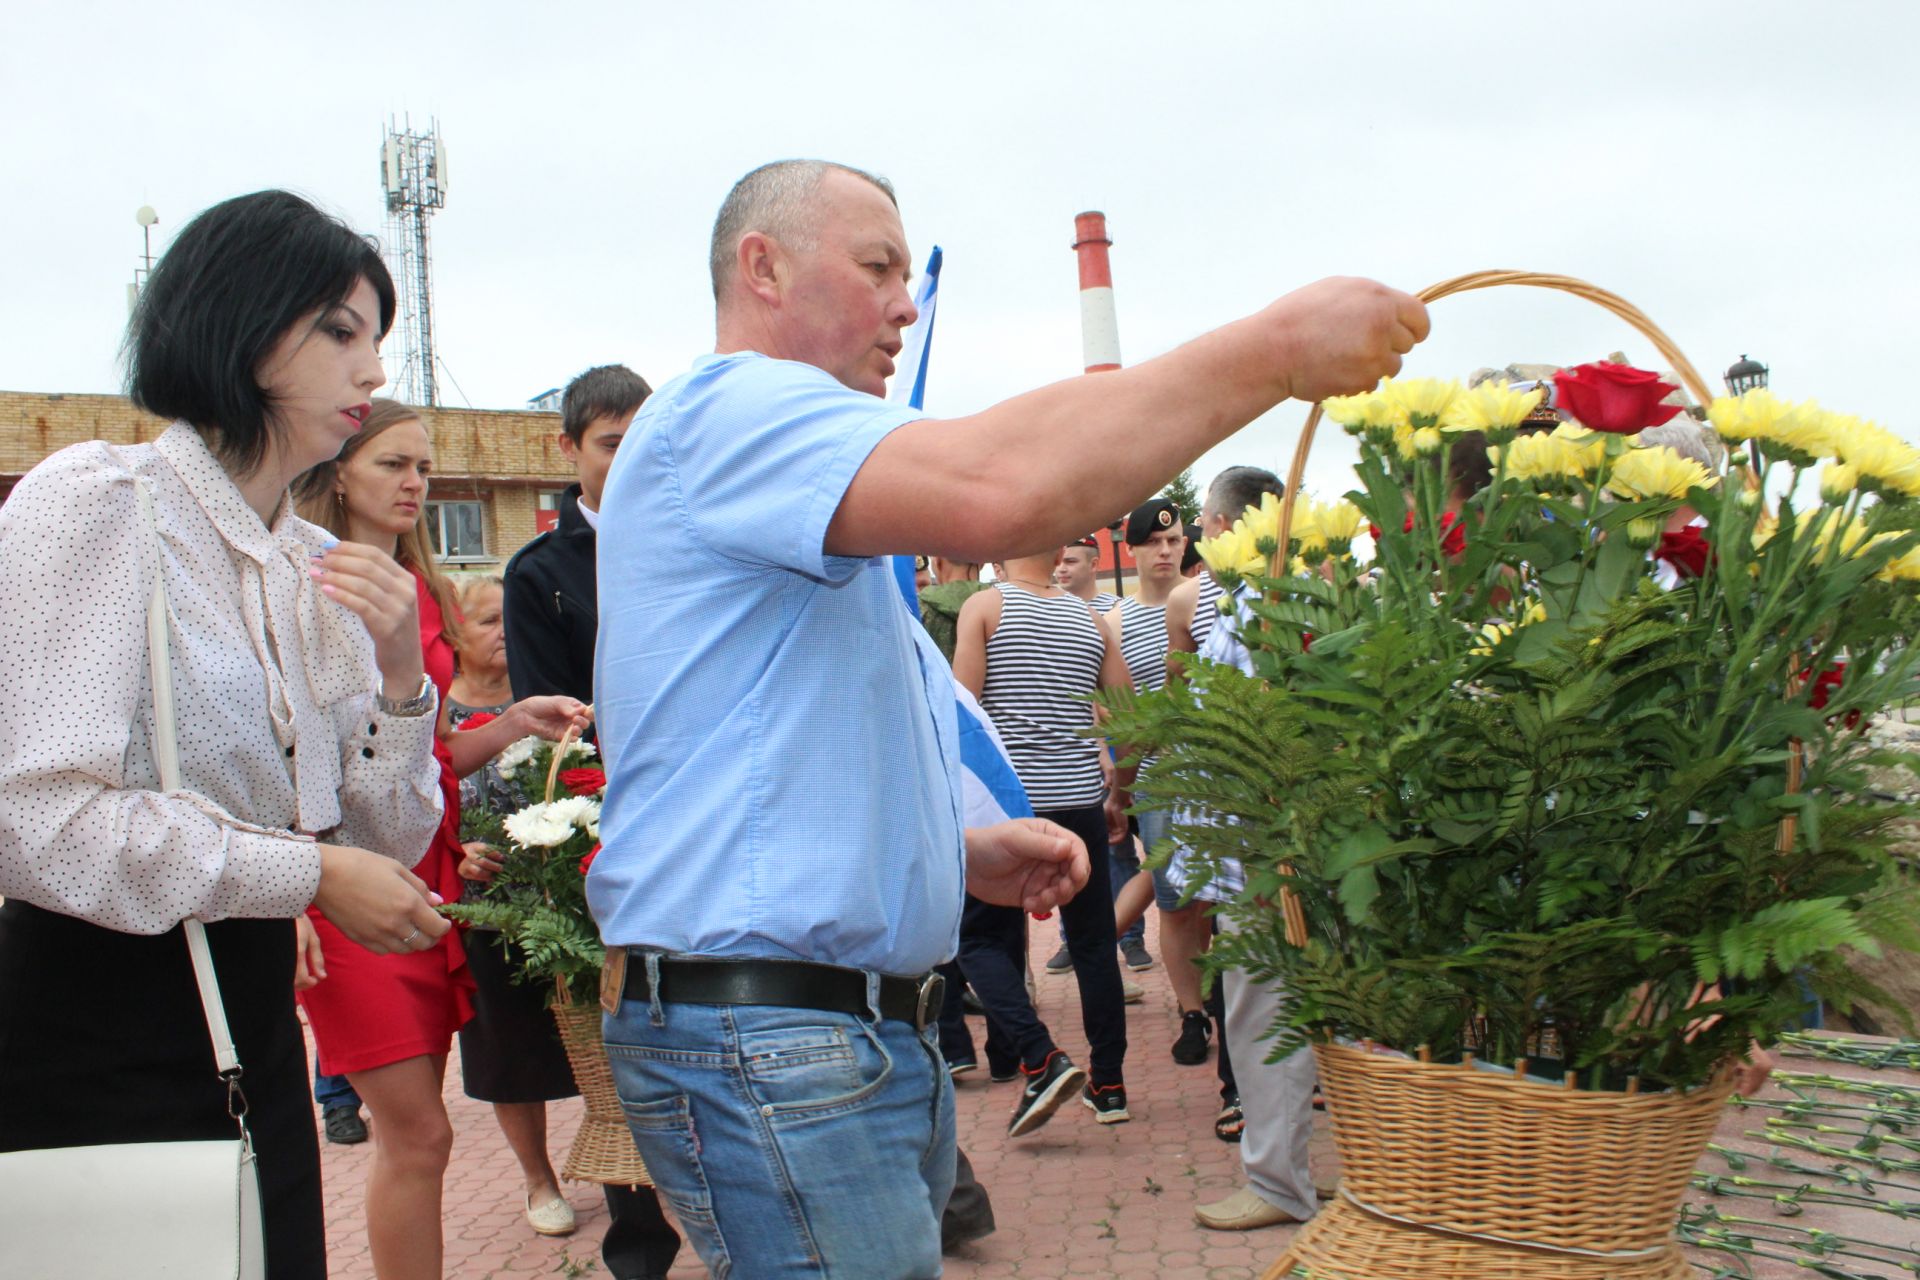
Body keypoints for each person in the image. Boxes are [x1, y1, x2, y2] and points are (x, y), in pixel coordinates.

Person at [591, 158, 1425, 1276]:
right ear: (764, 267)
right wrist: (1275, 349)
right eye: (879, 267)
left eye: (908, 276)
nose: (906, 304)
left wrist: (949, 850)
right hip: (777, 1032)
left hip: (818, 1028)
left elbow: (787, 741)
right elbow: (1008, 481)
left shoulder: (786, 474)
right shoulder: (731, 408)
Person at [0, 190, 452, 1278]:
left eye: (377, 339)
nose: (374, 372)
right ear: (245, 326)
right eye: (341, 331)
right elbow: (36, 822)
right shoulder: (100, 503)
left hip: (245, 1015)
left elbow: (378, 841)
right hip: (102, 1016)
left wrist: (400, 679)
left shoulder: (308, 565)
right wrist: (301, 869)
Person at [292, 401, 590, 1280]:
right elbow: (286, 753)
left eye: (422, 467)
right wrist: (291, 882)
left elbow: (424, 757)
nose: (415, 483)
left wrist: (509, 724)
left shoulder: (417, 587)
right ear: (339, 469)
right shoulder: (306, 580)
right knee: (418, 1133)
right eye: (392, 464)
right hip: (349, 882)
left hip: (427, 875)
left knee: (425, 1136)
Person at [501, 362, 684, 1280]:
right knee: (620, 1030)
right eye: (611, 442)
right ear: (568, 449)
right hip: (604, 823)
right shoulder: (541, 573)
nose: (629, 458)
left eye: (642, 438)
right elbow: (546, 722)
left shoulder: (695, 541)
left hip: (704, 810)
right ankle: (640, 1240)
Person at [953, 546, 1137, 1129]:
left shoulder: (983, 609)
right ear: (1061, 550)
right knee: (1093, 944)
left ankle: (1034, 1056)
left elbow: (962, 715)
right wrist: (1119, 794)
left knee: (983, 939)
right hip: (1080, 798)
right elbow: (1129, 720)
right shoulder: (1094, 619)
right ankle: (1109, 1084)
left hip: (1012, 807)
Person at [443, 574, 588, 1240]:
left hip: (567, 900)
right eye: (486, 622)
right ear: (452, 634)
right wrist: (455, 851)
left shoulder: (542, 703)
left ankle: (622, 1160)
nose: (505, 632)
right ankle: (538, 1179)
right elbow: (415, 811)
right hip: (486, 910)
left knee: (595, 1041)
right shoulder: (431, 715)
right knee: (509, 1052)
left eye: (509, 619)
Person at [1162, 466, 1285, 1072]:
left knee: (1248, 973)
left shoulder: (1207, 601)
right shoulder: (1302, 589)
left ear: (1217, 525)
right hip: (1274, 813)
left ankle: (1242, 1093)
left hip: (1236, 812)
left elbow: (1181, 702)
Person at [1055, 535, 1121, 612]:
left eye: (1070, 561)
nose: (1061, 569)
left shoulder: (1117, 609)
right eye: (1057, 562)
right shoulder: (1048, 608)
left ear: (1093, 565)